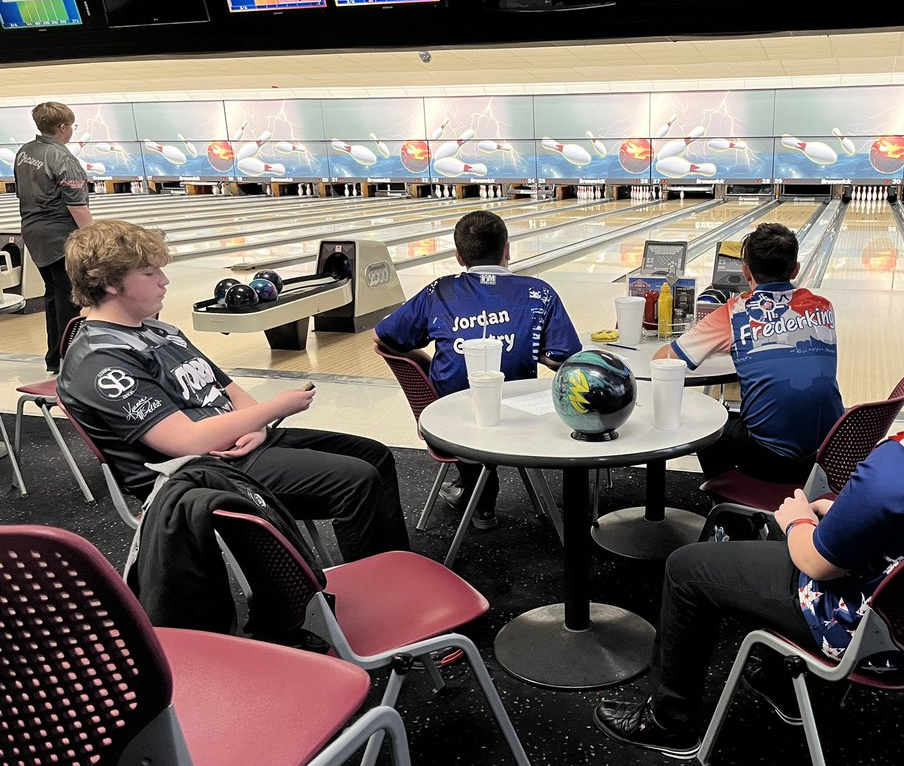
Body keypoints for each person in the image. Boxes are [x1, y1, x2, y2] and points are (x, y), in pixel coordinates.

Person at [595, 275, 904, 757]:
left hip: (860, 630)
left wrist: (799, 520)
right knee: (784, 532)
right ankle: (782, 686)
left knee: (689, 566)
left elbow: (817, 564)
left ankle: (669, 721)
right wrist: (840, 513)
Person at [58, 219, 409, 568]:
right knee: (356, 481)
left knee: (374, 455)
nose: (165, 281)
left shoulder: (160, 330)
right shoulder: (100, 361)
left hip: (237, 446)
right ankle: (378, 589)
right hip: (196, 475)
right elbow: (187, 441)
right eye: (150, 273)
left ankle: (400, 569)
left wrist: (257, 427)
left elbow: (228, 388)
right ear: (108, 283)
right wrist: (274, 408)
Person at [374, 209, 582, 529]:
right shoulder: (538, 292)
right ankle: (479, 494)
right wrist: (526, 347)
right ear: (508, 250)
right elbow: (564, 359)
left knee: (465, 399)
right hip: (520, 423)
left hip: (449, 424)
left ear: (459, 257)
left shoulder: (438, 291)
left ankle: (478, 496)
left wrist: (427, 359)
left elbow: (383, 336)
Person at [654, 222, 843, 486]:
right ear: (796, 269)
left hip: (772, 459)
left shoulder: (735, 312)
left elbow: (666, 359)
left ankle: (732, 520)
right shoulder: (823, 307)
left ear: (745, 272)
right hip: (831, 455)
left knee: (706, 424)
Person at [13, 101, 93, 375]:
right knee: (71, 298)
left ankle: (54, 359)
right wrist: (95, 239)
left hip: (33, 233)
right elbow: (77, 206)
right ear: (63, 127)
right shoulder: (63, 158)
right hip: (61, 238)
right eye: (72, 125)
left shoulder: (25, 152)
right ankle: (71, 360)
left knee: (54, 296)